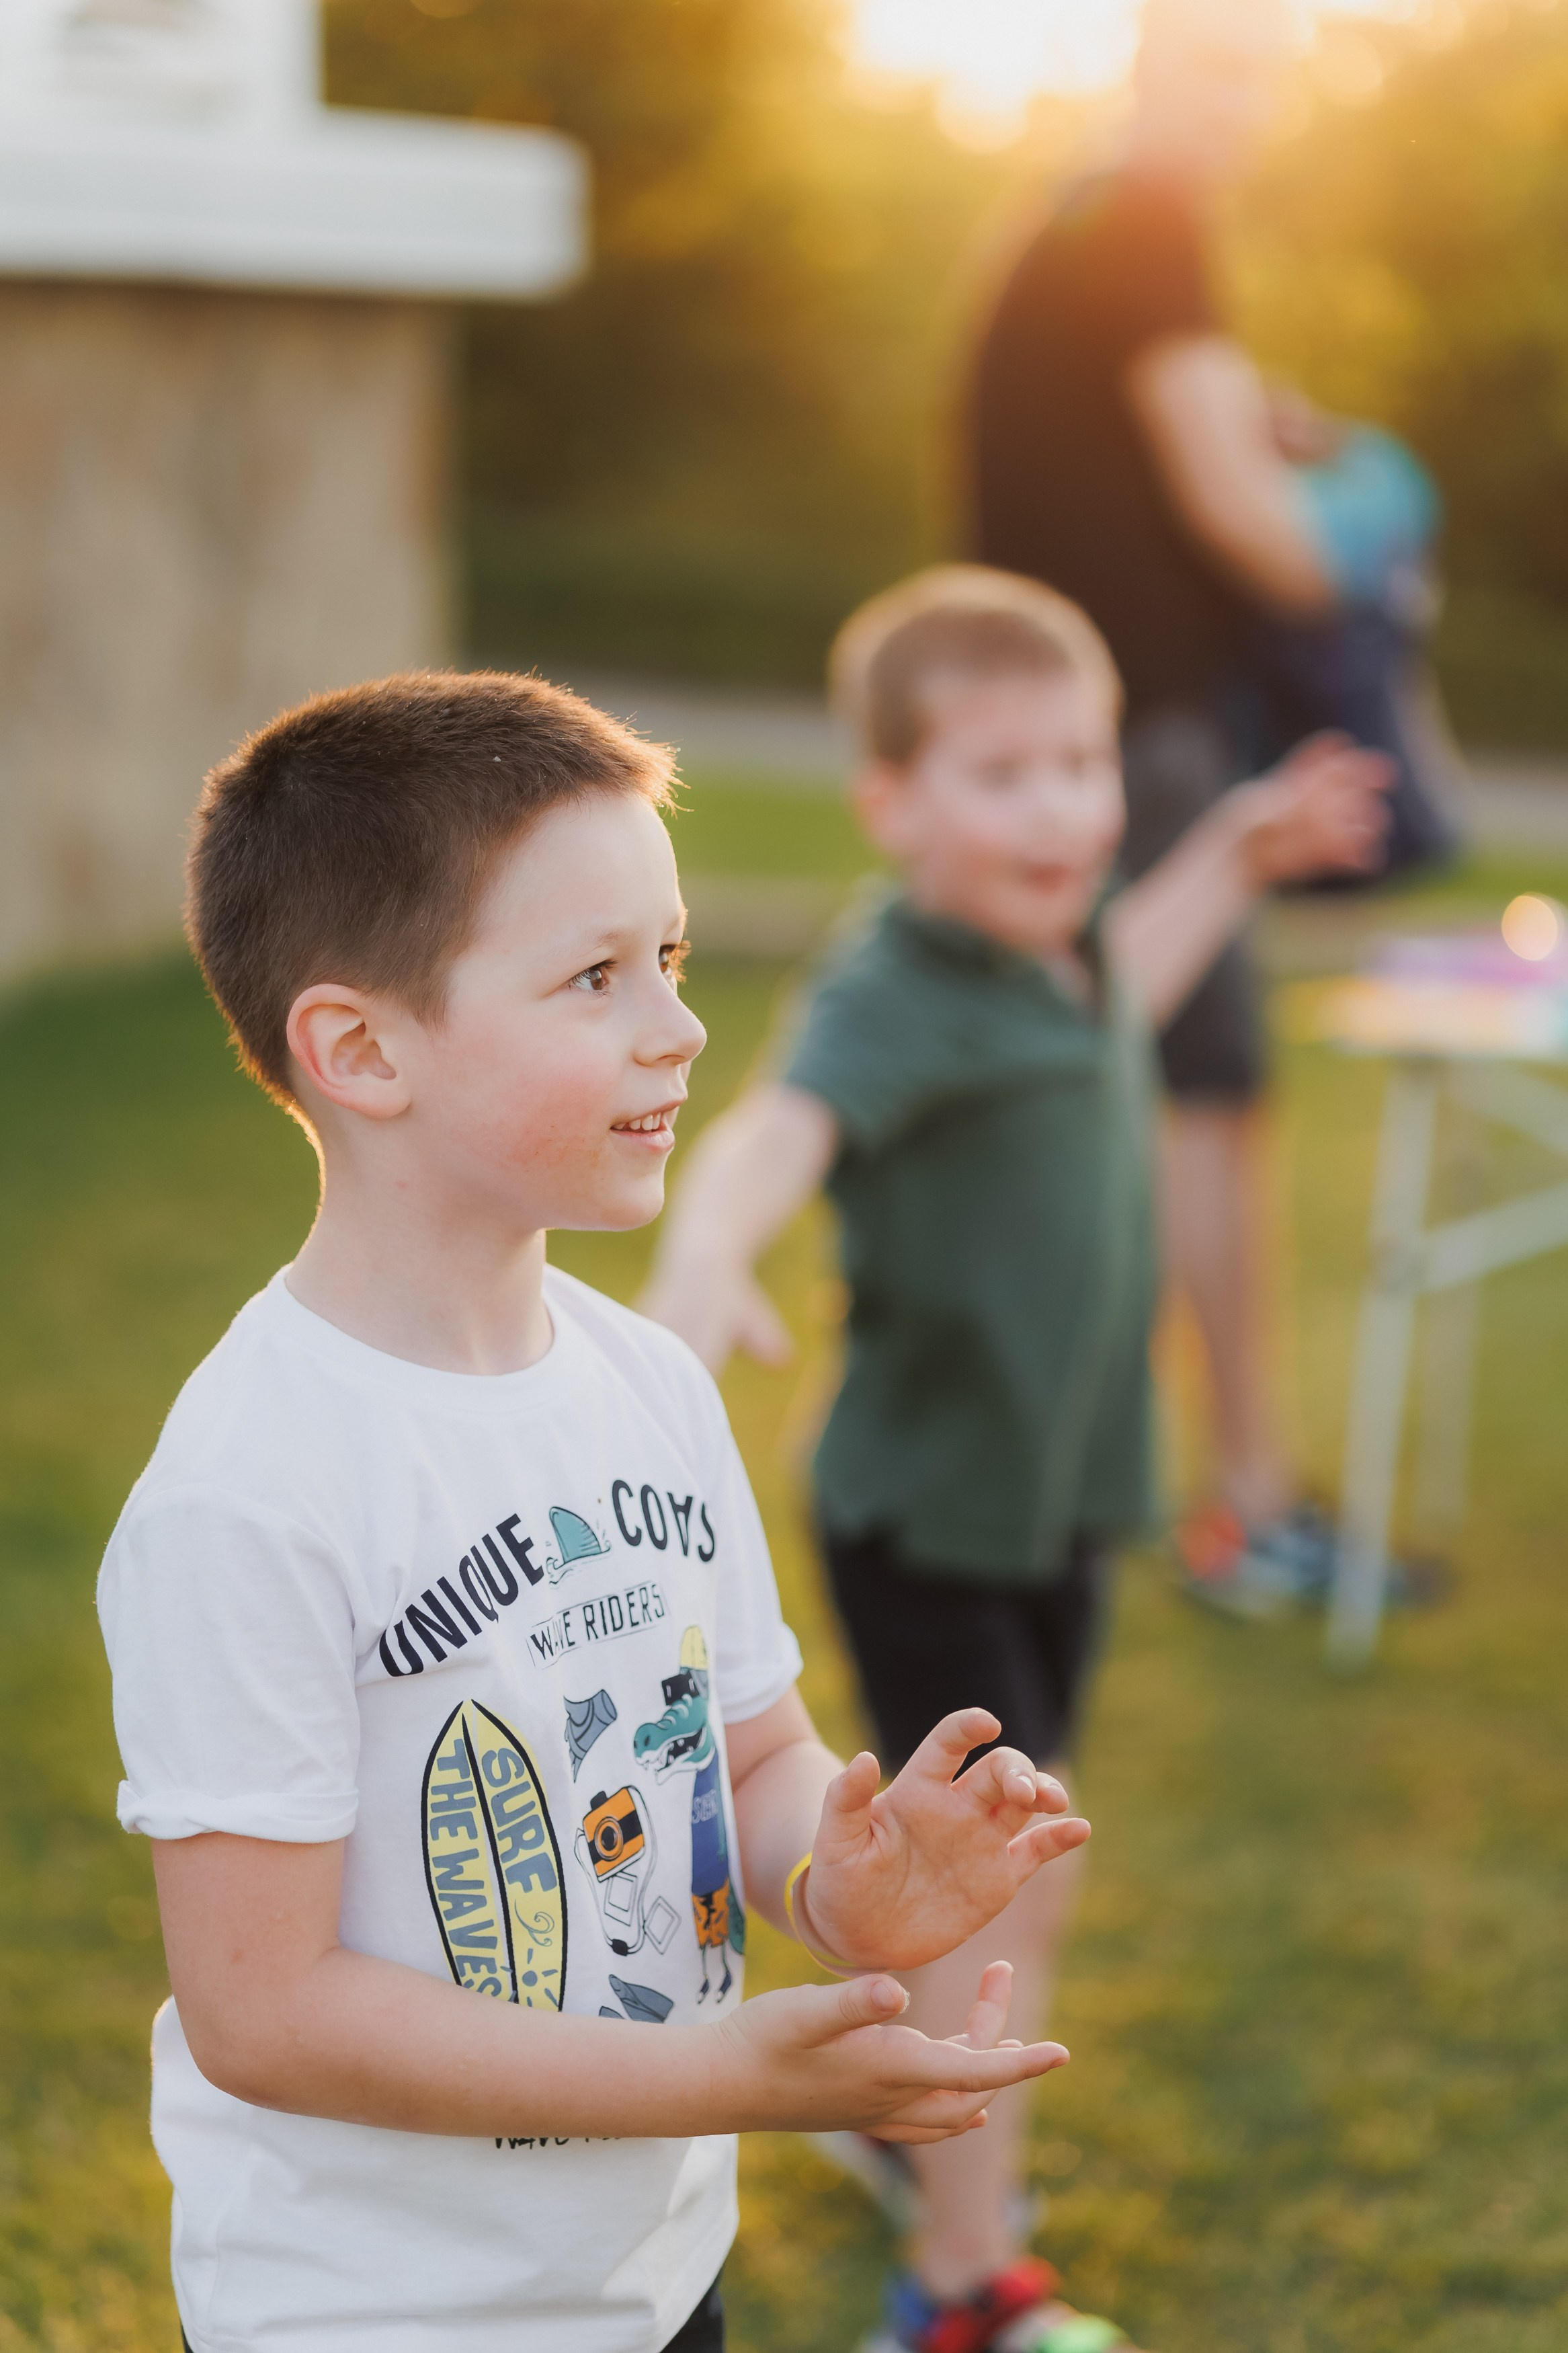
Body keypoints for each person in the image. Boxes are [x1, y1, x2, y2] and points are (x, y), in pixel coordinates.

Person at [95, 669, 1100, 2353]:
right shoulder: (249, 1491)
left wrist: (836, 1883)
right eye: (595, 977)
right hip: (373, 2316)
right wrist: (705, 2071)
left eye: (675, 957)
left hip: (645, 2268)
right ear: (360, 1049)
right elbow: (260, 2011)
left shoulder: (650, 1388)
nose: (681, 1025)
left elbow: (756, 1756)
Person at [640, 566, 1390, 2353]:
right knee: (1006, 1897)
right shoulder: (894, 982)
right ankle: (961, 2290)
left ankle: (916, 2151)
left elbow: (1121, 986)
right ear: (887, 801)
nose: (1057, 805)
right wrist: (705, 1241)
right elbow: (781, 1120)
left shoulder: (1058, 954)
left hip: (1059, 1507)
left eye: (1078, 762)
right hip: (931, 1521)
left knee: (980, 1880)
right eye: (999, 772)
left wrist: (1230, 851)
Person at [966, 0, 1452, 1613]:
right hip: (1143, 737)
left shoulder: (1079, 222)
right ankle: (1245, 1517)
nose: (1250, 107)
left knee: (1139, 1089)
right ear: (1157, 67)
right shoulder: (1155, 223)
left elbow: (1215, 431)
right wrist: (1369, 553)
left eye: (1269, 76)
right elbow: (1250, 517)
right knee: (1200, 1100)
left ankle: (1193, 1497)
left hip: (1085, 731)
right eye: (1227, 69)